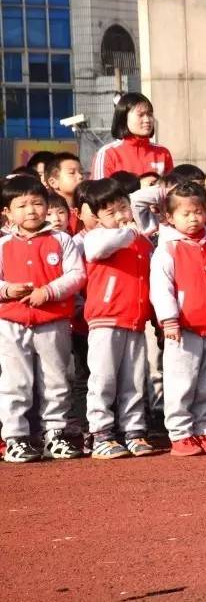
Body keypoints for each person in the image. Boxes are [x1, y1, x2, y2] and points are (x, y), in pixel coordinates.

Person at [0, 175, 86, 463]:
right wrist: (8, 290)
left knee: (57, 379)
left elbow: (76, 275)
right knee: (16, 382)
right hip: (11, 323)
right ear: (8, 212)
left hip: (53, 322)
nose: (31, 210)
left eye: (37, 203)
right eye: (22, 205)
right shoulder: (3, 245)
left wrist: (48, 292)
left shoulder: (62, 240)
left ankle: (55, 433)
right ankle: (16, 436)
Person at [153, 181, 206, 457]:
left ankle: (205, 428)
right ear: (170, 217)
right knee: (181, 382)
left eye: (198, 211)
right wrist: (169, 319)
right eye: (185, 213)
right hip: (183, 329)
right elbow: (161, 288)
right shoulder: (168, 248)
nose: (193, 218)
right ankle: (181, 432)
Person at [80, 179, 156, 459]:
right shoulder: (97, 237)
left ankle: (134, 431)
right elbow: (96, 250)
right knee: (103, 380)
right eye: (111, 212)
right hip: (104, 321)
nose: (122, 215)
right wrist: (130, 232)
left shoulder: (140, 241)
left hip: (135, 321)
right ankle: (101, 433)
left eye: (124, 207)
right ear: (97, 217)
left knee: (134, 381)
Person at [91, 93, 175, 179]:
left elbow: (171, 189)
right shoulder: (107, 154)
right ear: (124, 118)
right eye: (140, 115)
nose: (147, 120)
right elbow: (100, 191)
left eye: (150, 114)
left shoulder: (163, 153)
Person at [43, 153, 84, 235]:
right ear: (53, 182)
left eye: (81, 172)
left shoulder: (86, 209)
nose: (80, 176)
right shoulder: (44, 209)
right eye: (72, 173)